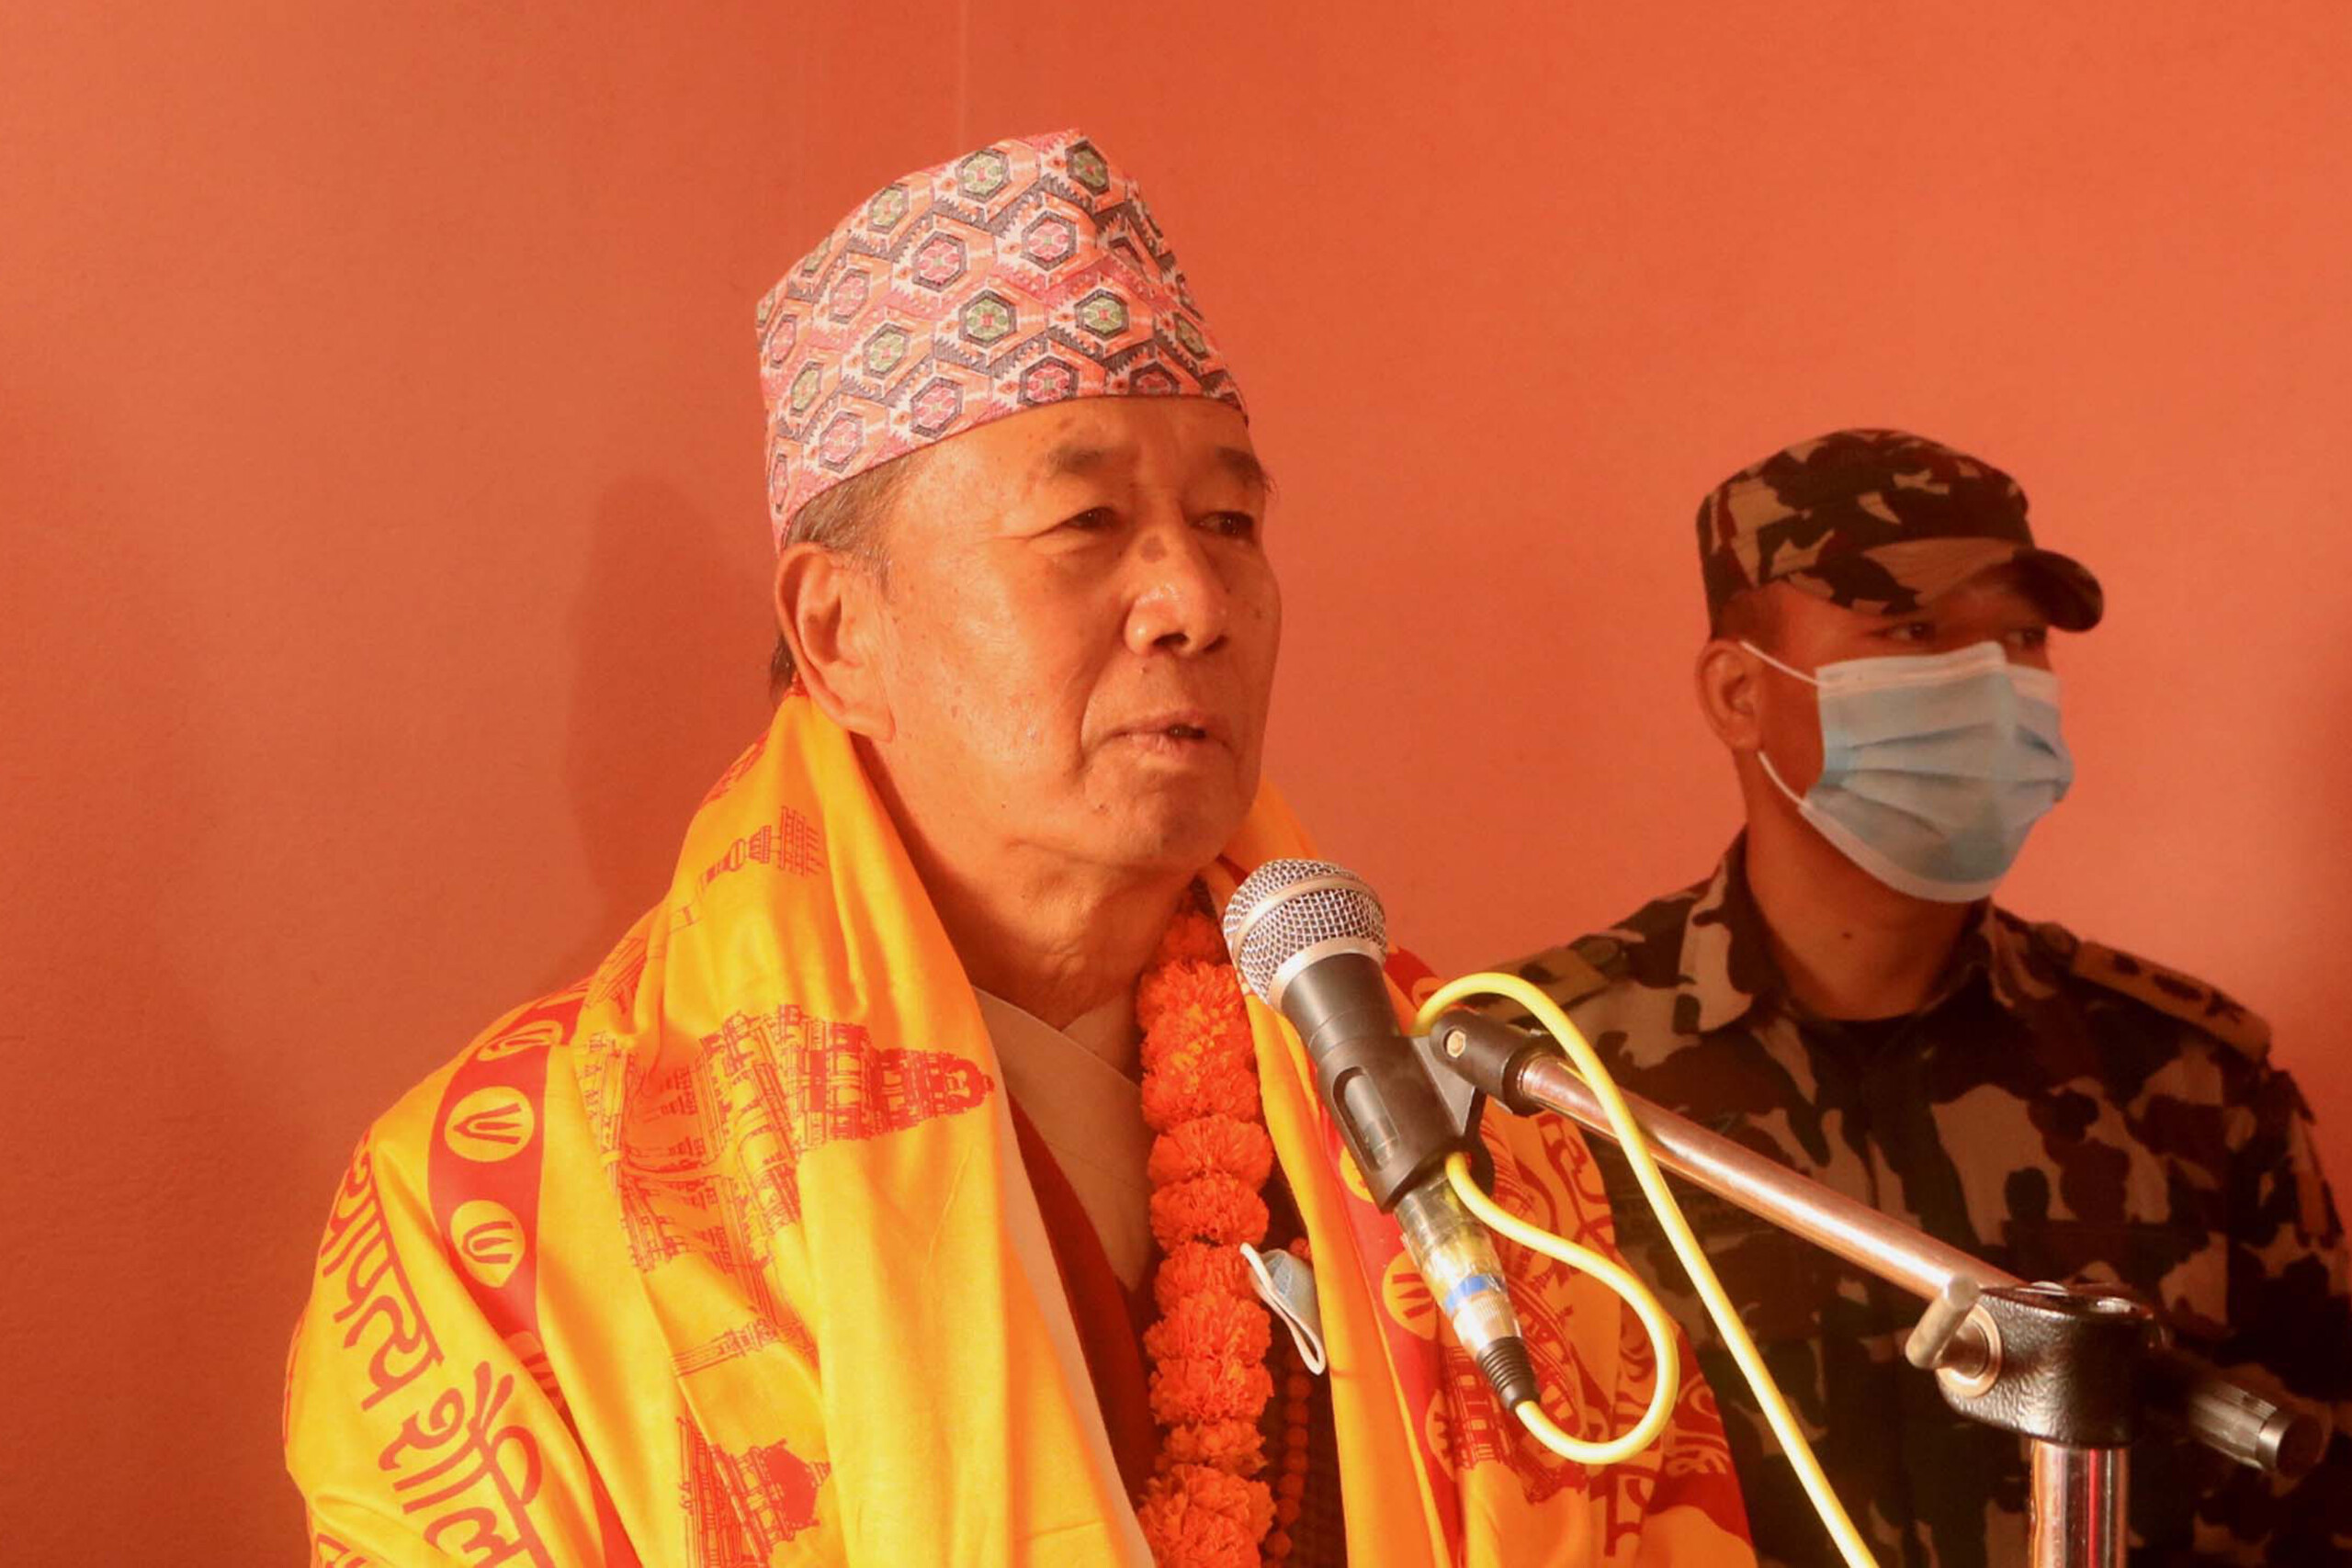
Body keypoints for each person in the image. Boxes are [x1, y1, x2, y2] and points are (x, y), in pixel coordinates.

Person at [282, 129, 1754, 1567]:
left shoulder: (1450, 1117)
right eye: (1086, 520)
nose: (1193, 599)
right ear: (840, 632)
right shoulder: (500, 1210)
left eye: (1231, 520)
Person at [1485, 427, 2352, 1565]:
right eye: (1913, 631)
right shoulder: (1542, 1078)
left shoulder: (2186, 1084)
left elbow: (2321, 1499)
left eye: (2021, 637)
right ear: (1739, 694)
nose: (1991, 682)